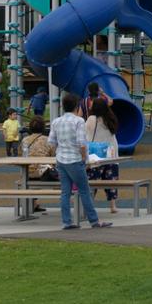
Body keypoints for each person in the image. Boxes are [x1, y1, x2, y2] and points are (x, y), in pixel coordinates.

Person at [50, 93, 108, 229]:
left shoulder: (56, 121)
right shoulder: (78, 121)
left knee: (65, 192)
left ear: (63, 106)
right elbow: (82, 143)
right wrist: (84, 158)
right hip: (75, 159)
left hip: (61, 159)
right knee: (84, 191)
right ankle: (94, 220)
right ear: (76, 107)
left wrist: (58, 153)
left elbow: (52, 142)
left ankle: (66, 221)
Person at [84, 97, 122, 215]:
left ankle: (88, 205)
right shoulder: (110, 118)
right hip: (111, 153)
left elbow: (86, 133)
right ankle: (113, 205)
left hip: (96, 154)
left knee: (92, 180)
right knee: (111, 180)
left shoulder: (91, 119)